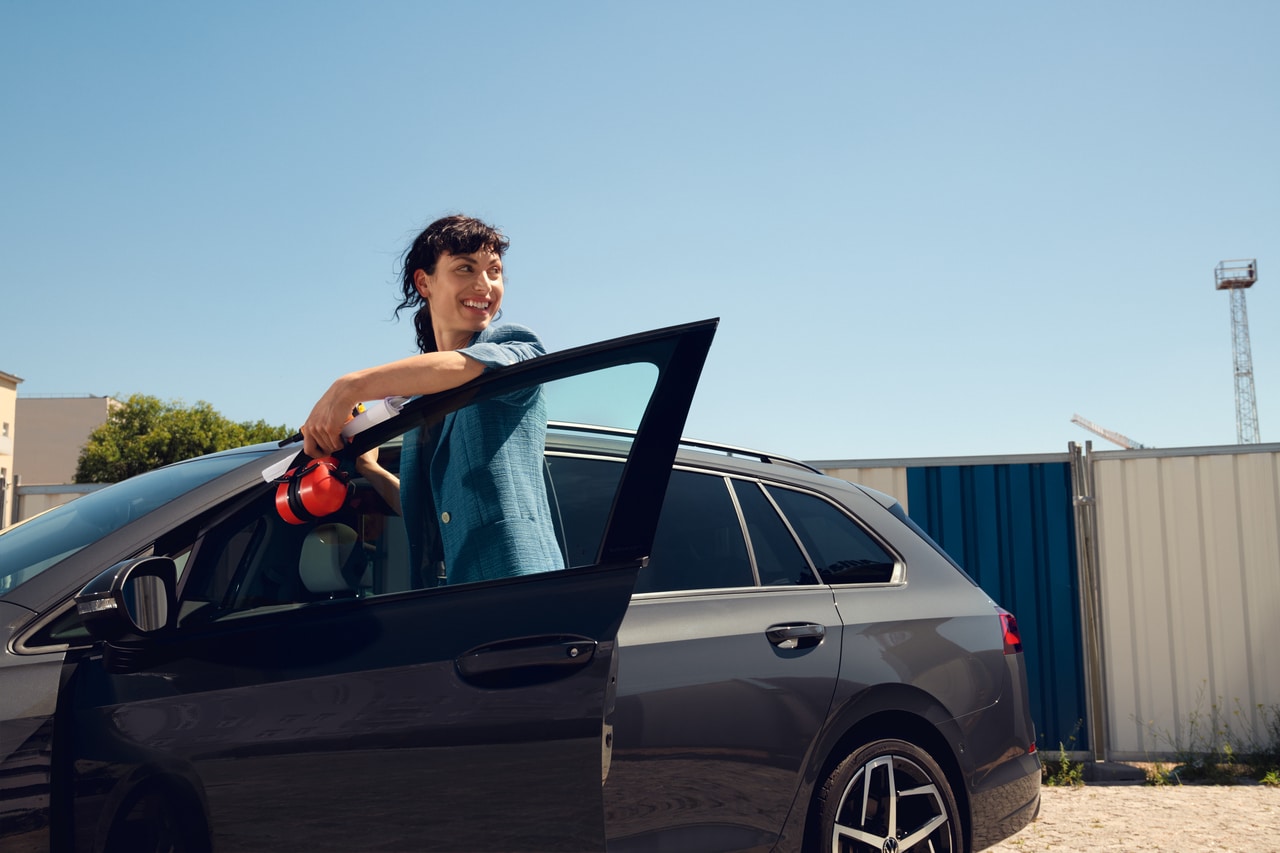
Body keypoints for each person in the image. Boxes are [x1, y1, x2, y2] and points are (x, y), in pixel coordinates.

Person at [301, 214, 563, 586]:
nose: (484, 284)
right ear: (424, 282)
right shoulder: (422, 400)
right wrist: (370, 470)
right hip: (452, 600)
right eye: (465, 268)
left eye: (494, 270)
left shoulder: (514, 344)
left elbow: (464, 366)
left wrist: (349, 387)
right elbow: (431, 515)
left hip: (520, 584)